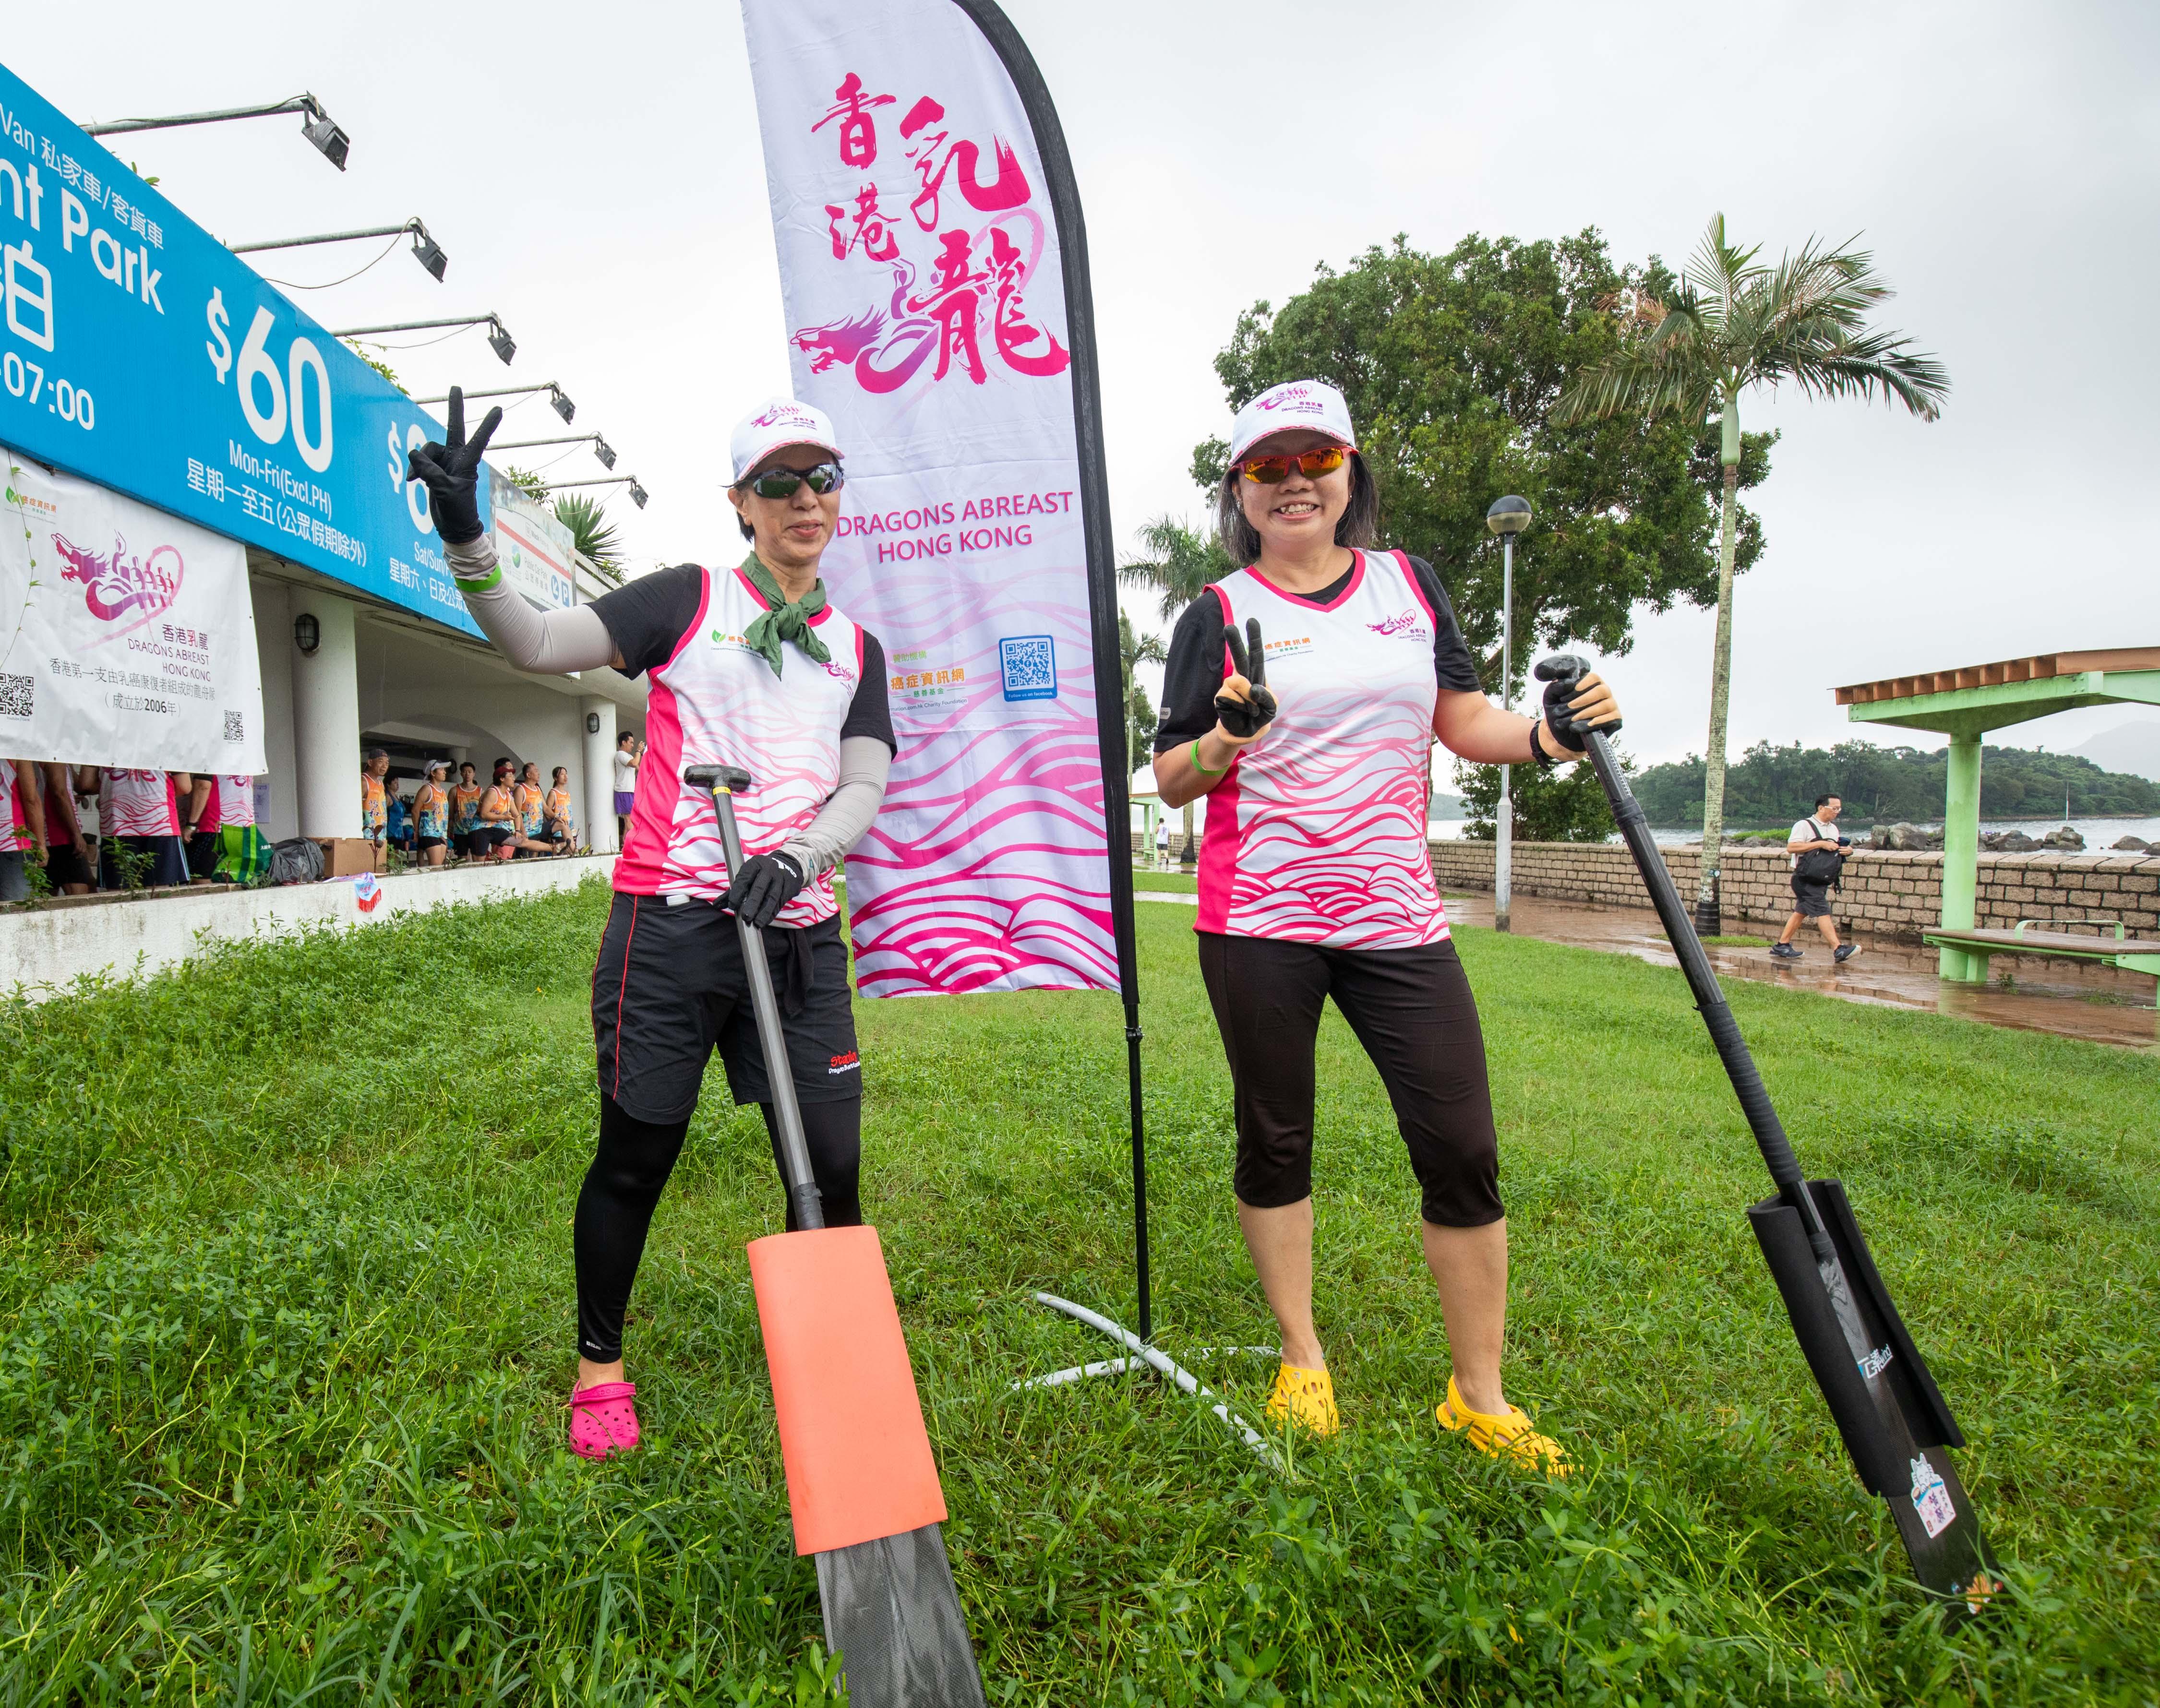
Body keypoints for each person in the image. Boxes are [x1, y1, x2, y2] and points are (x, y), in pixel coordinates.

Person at [408, 389, 895, 1461]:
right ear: (741, 501)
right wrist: (466, 534)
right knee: (637, 1155)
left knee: (832, 1160)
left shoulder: (858, 647)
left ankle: (838, 1375)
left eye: (821, 479)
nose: (804, 499)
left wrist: (799, 856)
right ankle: (599, 1369)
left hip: (801, 931)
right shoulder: (687, 598)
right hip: (672, 929)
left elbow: (865, 781)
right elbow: (537, 641)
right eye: (778, 482)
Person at [1151, 379, 1621, 1473]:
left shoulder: (1410, 586)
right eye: (1267, 466)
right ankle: (1302, 1356)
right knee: (1276, 1136)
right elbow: (1172, 774)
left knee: (1461, 1145)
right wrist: (1226, 737)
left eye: (1313, 459)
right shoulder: (1215, 612)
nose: (1293, 482)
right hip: (1260, 918)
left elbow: (1464, 720)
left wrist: (1549, 736)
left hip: (1397, 917)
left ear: (1349, 471)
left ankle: (1479, 1396)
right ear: (1239, 489)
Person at [1772, 794, 1858, 963]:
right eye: (1834, 808)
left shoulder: (1833, 829)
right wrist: (1820, 844)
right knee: (1822, 910)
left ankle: (1782, 945)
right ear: (1821, 808)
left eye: (1839, 809)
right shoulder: (1804, 825)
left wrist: (1848, 850)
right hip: (1804, 878)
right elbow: (1792, 847)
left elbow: (1832, 850)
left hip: (1821, 879)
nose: (1837, 812)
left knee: (1801, 912)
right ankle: (1838, 949)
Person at [90, 767, 191, 889]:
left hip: (116, 823)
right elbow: (185, 786)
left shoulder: (101, 752)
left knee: (119, 889)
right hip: (160, 822)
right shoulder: (170, 752)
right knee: (159, 890)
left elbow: (86, 784)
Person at [36, 762, 94, 895]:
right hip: (60, 833)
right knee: (80, 895)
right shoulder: (54, 757)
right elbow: (60, 794)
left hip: (49, 833)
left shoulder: (62, 759)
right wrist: (76, 834)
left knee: (48, 893)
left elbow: (81, 786)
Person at [0, 759, 45, 902]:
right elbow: (31, 800)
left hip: (11, 842)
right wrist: (40, 844)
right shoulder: (18, 752)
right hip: (11, 841)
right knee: (21, 906)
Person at [471, 760, 520, 863]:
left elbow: (517, 815)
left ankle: (553, 848)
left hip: (502, 829)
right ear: (501, 775)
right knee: (494, 860)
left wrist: (518, 830)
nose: (513, 777)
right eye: (509, 770)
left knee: (507, 858)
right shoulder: (493, 791)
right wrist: (504, 817)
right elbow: (484, 814)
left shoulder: (507, 793)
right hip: (485, 829)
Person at [413, 762, 453, 866]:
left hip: (440, 833)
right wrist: (417, 831)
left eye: (444, 770)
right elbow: (415, 811)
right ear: (433, 773)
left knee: (439, 867)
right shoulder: (427, 789)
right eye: (441, 770)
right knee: (436, 867)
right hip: (429, 831)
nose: (445, 772)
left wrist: (444, 834)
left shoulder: (443, 792)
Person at [450, 762, 484, 857]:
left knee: (476, 858)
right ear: (461, 774)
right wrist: (450, 828)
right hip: (460, 830)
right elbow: (450, 812)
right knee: (462, 858)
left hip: (476, 830)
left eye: (470, 772)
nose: (467, 774)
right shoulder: (454, 790)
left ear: (474, 774)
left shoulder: (481, 792)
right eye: (465, 772)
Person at [613, 730, 640, 844]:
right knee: (628, 818)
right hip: (624, 790)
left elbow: (638, 768)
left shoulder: (629, 756)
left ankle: (626, 843)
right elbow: (634, 763)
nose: (633, 745)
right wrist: (639, 751)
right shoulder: (621, 754)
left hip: (630, 790)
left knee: (629, 818)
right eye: (631, 742)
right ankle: (636, 842)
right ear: (624, 742)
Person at [361, 750, 390, 848]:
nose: (384, 766)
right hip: (367, 837)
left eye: (387, 763)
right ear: (370, 762)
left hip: (381, 836)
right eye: (381, 762)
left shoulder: (381, 784)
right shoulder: (364, 781)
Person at [545, 764, 576, 853]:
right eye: (562, 774)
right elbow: (547, 812)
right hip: (559, 831)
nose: (565, 776)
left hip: (570, 829)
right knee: (564, 851)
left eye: (566, 774)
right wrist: (554, 824)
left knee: (572, 851)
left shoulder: (567, 794)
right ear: (556, 778)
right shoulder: (553, 793)